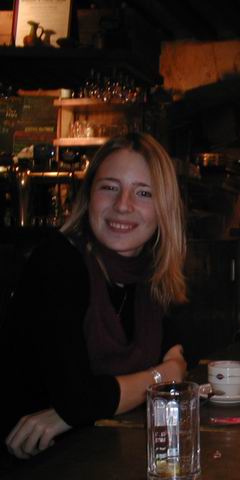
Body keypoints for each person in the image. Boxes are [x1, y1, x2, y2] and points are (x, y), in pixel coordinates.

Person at [1, 132, 188, 461]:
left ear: (164, 209)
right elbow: (79, 399)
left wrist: (66, 415)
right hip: (27, 460)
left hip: (95, 450)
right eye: (109, 187)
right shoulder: (57, 262)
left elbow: (178, 348)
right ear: (88, 196)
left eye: (143, 193)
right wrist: (163, 376)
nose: (123, 205)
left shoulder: (150, 276)